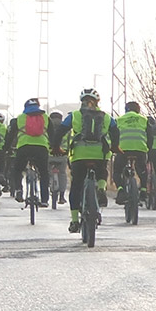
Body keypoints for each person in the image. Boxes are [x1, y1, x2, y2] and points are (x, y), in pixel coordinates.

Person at [60, 87, 112, 230]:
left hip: (79, 155)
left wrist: (55, 147)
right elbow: (115, 131)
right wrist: (115, 147)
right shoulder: (106, 116)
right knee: (102, 171)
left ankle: (75, 220)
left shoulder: (75, 116)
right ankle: (101, 188)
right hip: (100, 154)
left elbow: (61, 131)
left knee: (76, 186)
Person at [109, 99, 153, 215]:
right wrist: (148, 148)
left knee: (117, 172)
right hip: (140, 150)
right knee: (142, 171)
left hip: (123, 150)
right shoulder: (144, 120)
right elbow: (150, 135)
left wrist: (113, 148)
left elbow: (113, 134)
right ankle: (143, 191)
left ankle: (121, 190)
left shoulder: (119, 120)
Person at [7, 98, 54, 206]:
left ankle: (19, 190)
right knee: (43, 173)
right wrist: (53, 147)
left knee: (18, 169)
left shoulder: (19, 118)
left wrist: (6, 148)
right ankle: (44, 199)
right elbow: (52, 135)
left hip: (24, 148)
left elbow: (10, 136)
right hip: (41, 148)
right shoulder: (46, 118)